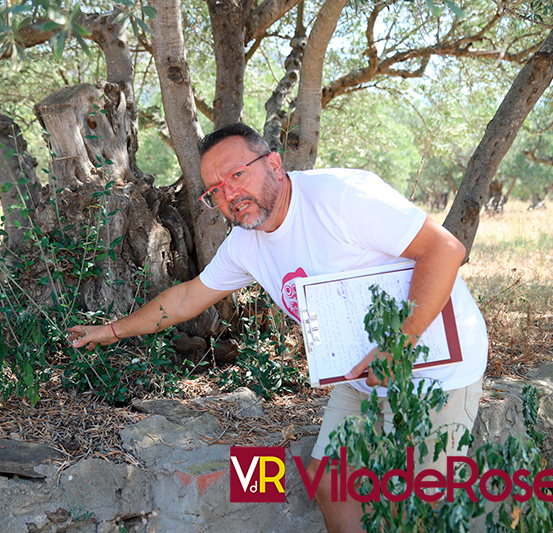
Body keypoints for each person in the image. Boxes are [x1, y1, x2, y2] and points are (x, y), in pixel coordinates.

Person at [68, 123, 488, 532]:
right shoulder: (245, 245)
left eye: (237, 175)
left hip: (434, 369)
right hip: (360, 373)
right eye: (216, 190)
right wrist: (111, 330)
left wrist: (401, 342)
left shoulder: (340, 197)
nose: (230, 194)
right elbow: (184, 299)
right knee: (329, 482)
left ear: (273, 163)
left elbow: (445, 249)